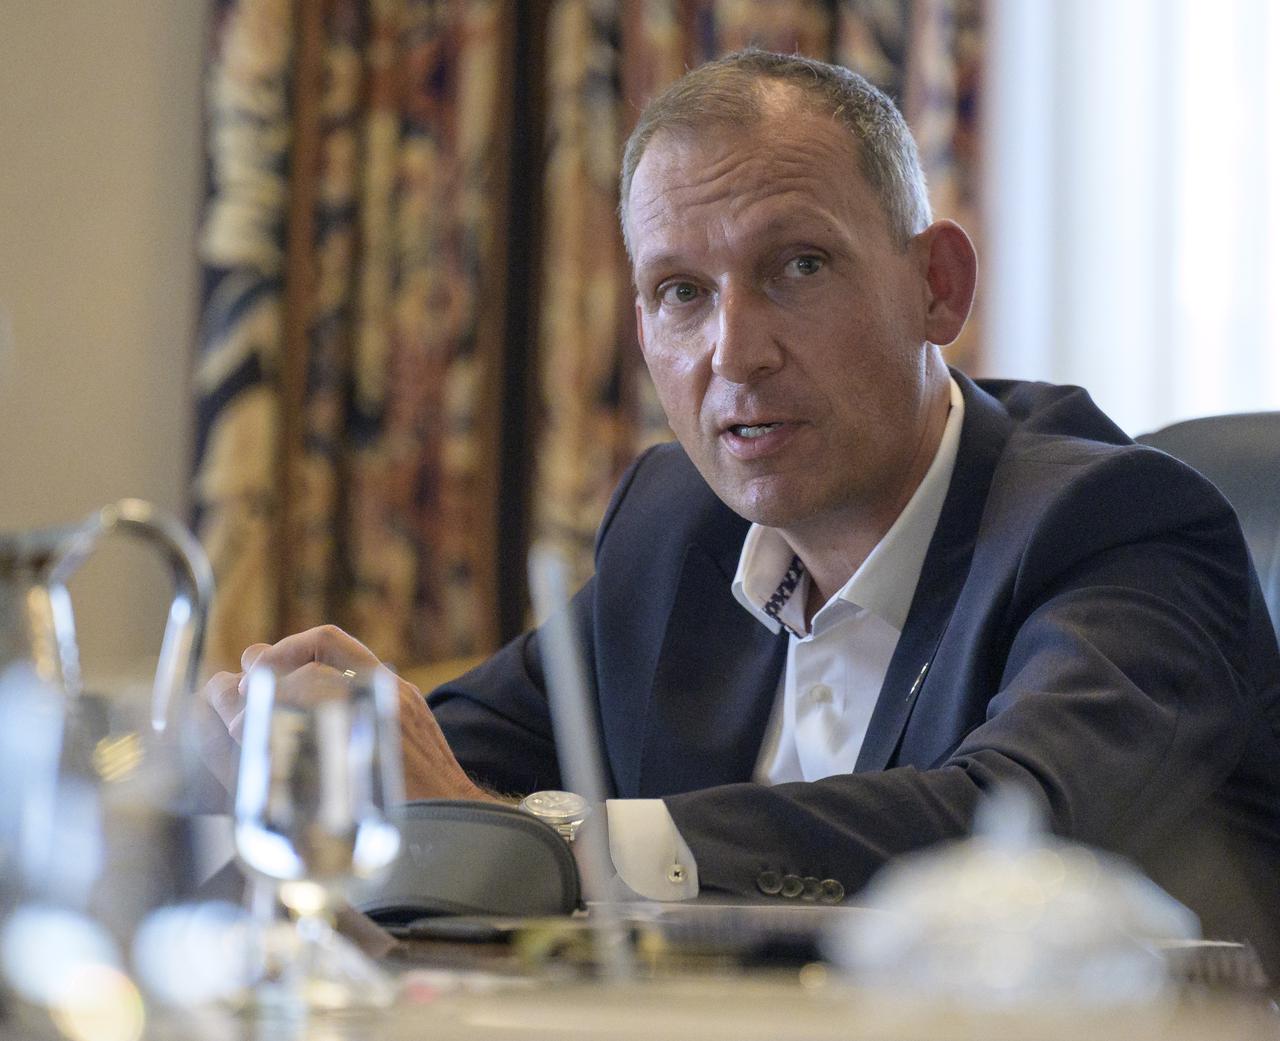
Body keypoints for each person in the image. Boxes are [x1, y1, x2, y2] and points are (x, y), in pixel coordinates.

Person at [203, 50, 1280, 970]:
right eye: (681, 292)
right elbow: (462, 753)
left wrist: (549, 846)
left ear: (935, 288)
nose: (734, 352)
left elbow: (1007, 832)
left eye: (796, 266)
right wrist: (307, 765)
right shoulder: (679, 524)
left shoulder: (1119, 527)